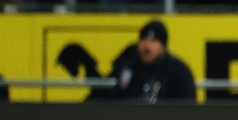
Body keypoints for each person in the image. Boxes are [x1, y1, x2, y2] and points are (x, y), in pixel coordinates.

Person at [61, 20, 196, 102]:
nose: (147, 46)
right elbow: (107, 94)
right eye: (143, 40)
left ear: (164, 47)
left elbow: (184, 109)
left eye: (153, 41)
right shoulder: (129, 64)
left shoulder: (177, 71)